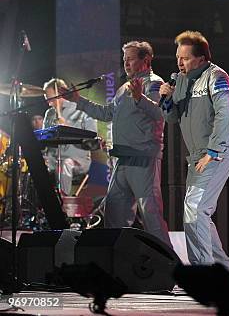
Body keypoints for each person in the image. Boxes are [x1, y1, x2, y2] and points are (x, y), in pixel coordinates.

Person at [61, 41, 171, 245]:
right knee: (113, 214)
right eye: (124, 59)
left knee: (151, 217)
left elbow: (160, 113)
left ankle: (170, 267)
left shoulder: (154, 83)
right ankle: (120, 265)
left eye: (130, 59)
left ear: (145, 60)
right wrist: (78, 100)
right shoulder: (123, 88)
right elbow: (106, 113)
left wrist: (139, 98)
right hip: (122, 160)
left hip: (143, 160)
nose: (126, 63)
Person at [160, 30, 229, 273]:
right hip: (196, 156)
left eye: (184, 58)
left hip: (217, 151)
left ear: (201, 58)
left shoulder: (217, 76)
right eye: (177, 58)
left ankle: (204, 274)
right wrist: (167, 100)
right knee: (198, 213)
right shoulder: (180, 80)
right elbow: (172, 118)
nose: (179, 63)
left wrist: (213, 151)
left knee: (195, 210)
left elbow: (228, 114)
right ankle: (223, 270)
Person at [42, 78, 97, 196]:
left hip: (77, 160)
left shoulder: (82, 110)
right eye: (46, 98)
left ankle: (62, 203)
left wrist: (66, 128)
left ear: (61, 93)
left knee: (65, 164)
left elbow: (92, 140)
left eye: (50, 98)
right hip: (53, 159)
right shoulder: (49, 113)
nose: (48, 102)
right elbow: (44, 139)